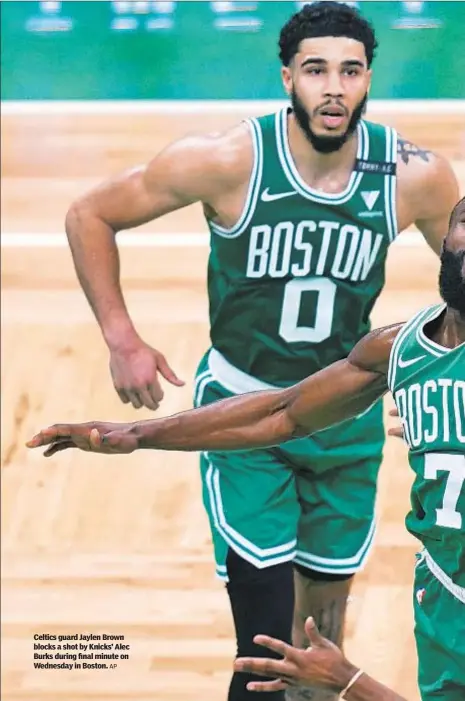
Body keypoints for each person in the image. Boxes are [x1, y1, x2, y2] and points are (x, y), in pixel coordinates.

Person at [59, 2, 458, 699]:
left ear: (368, 80)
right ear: (286, 78)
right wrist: (122, 338)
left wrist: (435, 383)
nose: (333, 87)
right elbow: (90, 212)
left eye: (349, 70)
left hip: (346, 415)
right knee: (267, 648)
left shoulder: (415, 176)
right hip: (246, 411)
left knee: (320, 640)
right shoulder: (225, 160)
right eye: (315, 70)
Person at [27, 196, 465, 699]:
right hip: (441, 594)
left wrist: (350, 683)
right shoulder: (404, 349)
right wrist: (138, 435)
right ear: (445, 240)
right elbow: (282, 413)